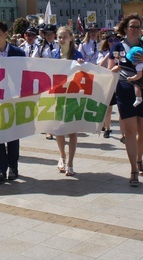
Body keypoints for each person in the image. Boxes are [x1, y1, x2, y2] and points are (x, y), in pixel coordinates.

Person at [109, 14, 143, 187]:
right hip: (125, 89)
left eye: (138, 27)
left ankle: (139, 159)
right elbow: (110, 69)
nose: (135, 29)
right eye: (132, 26)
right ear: (125, 29)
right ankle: (133, 169)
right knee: (131, 131)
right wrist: (116, 68)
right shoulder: (118, 46)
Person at [0, 21, 26, 184]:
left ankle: (13, 167)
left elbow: (25, 75)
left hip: (13, 99)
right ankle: (0, 170)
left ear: (6, 34)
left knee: (13, 135)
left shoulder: (18, 53)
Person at [52, 26, 84, 176]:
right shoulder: (53, 54)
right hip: (58, 96)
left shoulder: (77, 55)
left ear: (71, 38)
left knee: (72, 130)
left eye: (64, 36)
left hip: (73, 96)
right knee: (59, 129)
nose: (61, 39)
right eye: (59, 37)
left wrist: (82, 65)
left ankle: (70, 162)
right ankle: (62, 156)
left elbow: (85, 73)